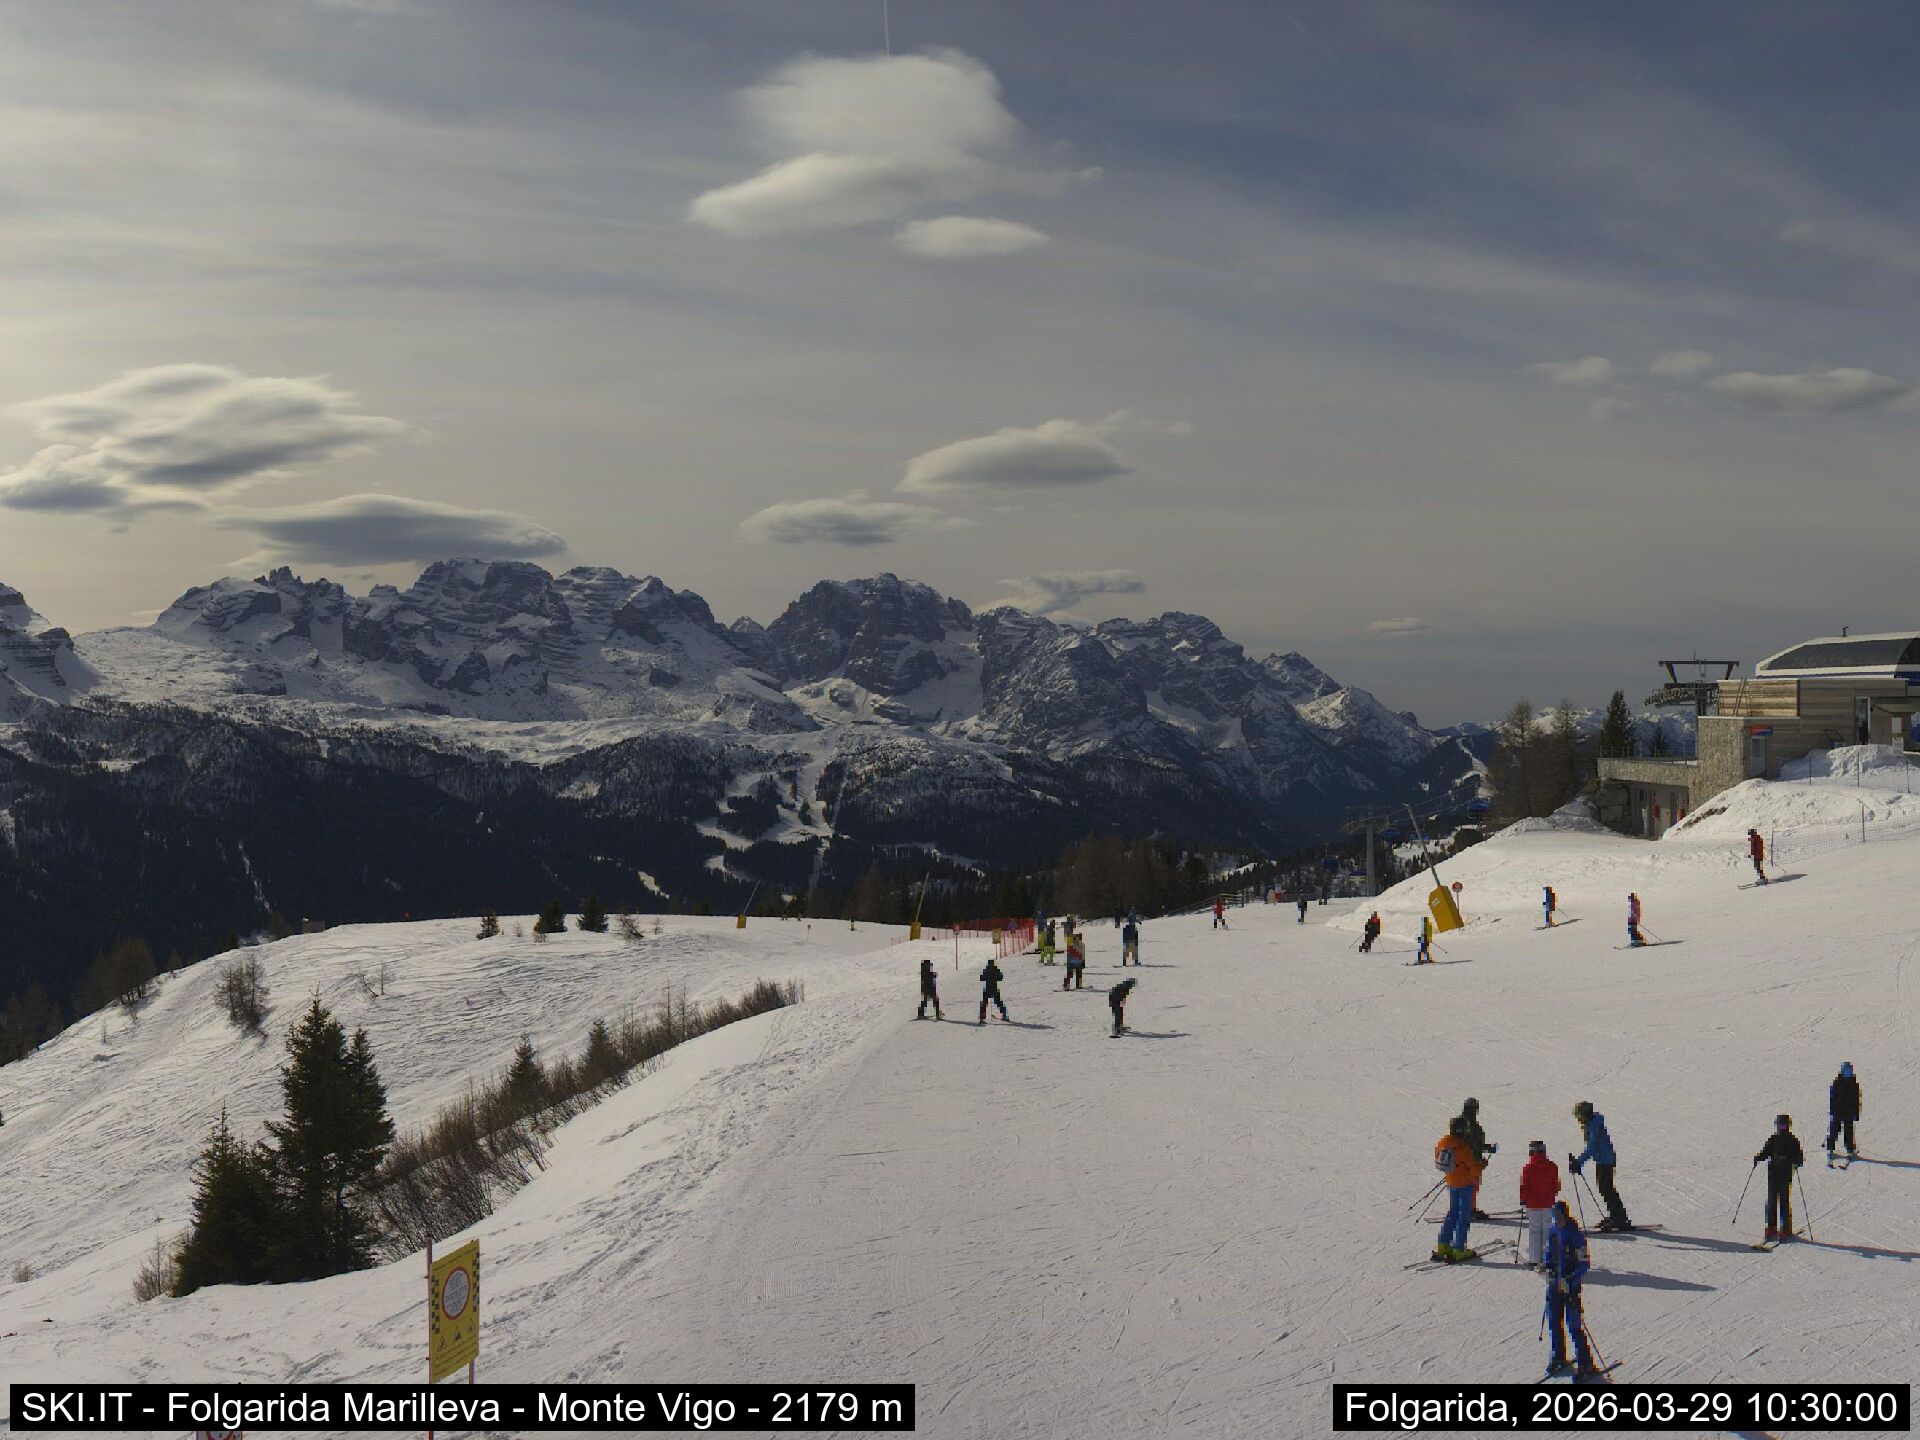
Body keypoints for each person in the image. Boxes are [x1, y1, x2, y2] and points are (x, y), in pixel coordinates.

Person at [1542, 1200, 1597, 1379]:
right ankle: (1558, 1355)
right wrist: (1547, 1267)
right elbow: (1548, 1254)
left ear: (1566, 1216)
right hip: (1554, 1285)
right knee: (1554, 1321)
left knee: (1573, 1325)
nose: (1557, 1220)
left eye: (1559, 1217)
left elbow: (1584, 1263)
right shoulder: (1553, 1232)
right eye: (1555, 1217)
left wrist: (1570, 1279)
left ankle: (1586, 1363)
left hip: (1569, 1287)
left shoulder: (1576, 1236)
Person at [1569, 1100, 1631, 1231]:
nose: (1579, 1120)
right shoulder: (1592, 1124)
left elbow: (1592, 1148)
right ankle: (1616, 1216)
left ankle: (1619, 1219)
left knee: (1606, 1188)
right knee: (1605, 1188)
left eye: (1579, 1117)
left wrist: (1579, 1162)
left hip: (1606, 1160)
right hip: (1603, 1160)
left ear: (1585, 1115)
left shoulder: (1594, 1126)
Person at [1431, 1116, 1483, 1263]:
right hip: (1465, 1184)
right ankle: (1459, 1249)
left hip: (1451, 1182)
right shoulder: (1462, 1148)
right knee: (1463, 1216)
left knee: (1452, 1212)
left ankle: (1443, 1246)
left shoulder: (1443, 1143)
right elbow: (1473, 1167)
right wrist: (1481, 1165)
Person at [1754, 1113, 1805, 1241]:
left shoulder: (1793, 1140)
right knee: (1771, 1200)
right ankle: (1771, 1226)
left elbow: (1799, 1157)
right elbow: (1766, 1152)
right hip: (1773, 1172)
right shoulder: (1773, 1139)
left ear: (1788, 1126)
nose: (1782, 1128)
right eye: (1780, 1126)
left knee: (1784, 1200)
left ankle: (1785, 1228)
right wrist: (1758, 1158)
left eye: (1784, 1126)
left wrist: (1796, 1161)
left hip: (1785, 1173)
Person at [1520, 1140, 1561, 1270]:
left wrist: (1523, 1199)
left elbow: (1524, 1186)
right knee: (1547, 1230)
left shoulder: (1528, 1168)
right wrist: (1552, 1193)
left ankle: (1534, 1259)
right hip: (1548, 1203)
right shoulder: (1552, 1166)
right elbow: (1556, 1186)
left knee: (1534, 1230)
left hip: (1533, 1205)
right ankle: (1547, 1258)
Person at [1457, 1097, 1497, 1220]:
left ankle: (1463, 1208)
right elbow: (1474, 1144)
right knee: (1471, 1185)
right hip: (1471, 1161)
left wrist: (1487, 1148)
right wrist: (1487, 1149)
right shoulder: (1470, 1125)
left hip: (1462, 1160)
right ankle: (1469, 1210)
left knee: (1463, 1185)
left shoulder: (1460, 1123)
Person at [1828, 1062, 1862, 1159]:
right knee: (1834, 1129)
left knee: (1849, 1131)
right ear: (1842, 1071)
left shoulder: (1854, 1084)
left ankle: (1849, 1149)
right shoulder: (1837, 1082)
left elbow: (1856, 1100)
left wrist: (1856, 1113)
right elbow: (1833, 1097)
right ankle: (1830, 1148)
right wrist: (1832, 1110)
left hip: (1849, 1112)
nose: (1848, 1073)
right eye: (1846, 1071)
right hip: (1838, 1110)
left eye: (1850, 1071)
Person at [977, 960, 1009, 1025]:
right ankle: (1005, 1016)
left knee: (984, 1004)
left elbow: (981, 978)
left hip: (987, 989)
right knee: (999, 1002)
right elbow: (1000, 977)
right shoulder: (996, 970)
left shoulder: (986, 970)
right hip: (994, 989)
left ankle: (982, 1019)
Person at [916, 955, 943, 1020]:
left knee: (924, 1000)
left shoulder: (924, 972)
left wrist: (933, 974)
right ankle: (937, 1014)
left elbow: (927, 976)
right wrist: (934, 974)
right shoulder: (928, 972)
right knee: (935, 999)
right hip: (930, 988)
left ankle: (921, 1014)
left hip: (924, 988)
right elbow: (929, 976)